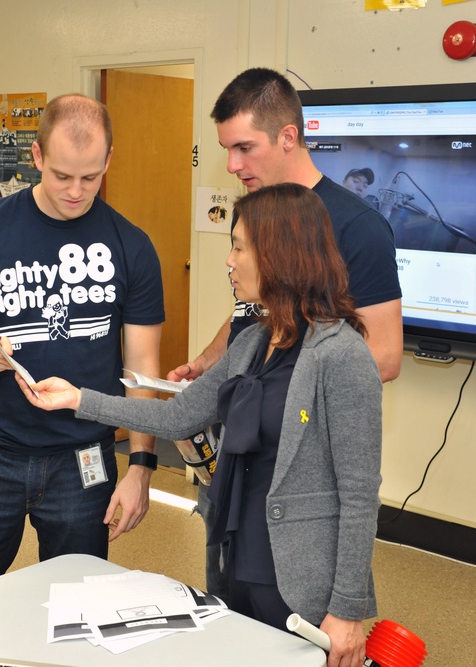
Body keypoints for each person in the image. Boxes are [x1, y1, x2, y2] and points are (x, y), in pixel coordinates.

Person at [19, 183, 382, 667]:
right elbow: (177, 416)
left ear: (279, 254)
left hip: (299, 577)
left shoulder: (341, 355)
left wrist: (348, 611)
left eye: (237, 247)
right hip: (237, 553)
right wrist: (78, 399)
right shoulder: (253, 341)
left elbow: (359, 494)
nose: (228, 261)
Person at [167, 67, 402, 601]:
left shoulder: (357, 228)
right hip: (239, 454)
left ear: (289, 136)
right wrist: (210, 363)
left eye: (244, 148)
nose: (232, 165)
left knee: (287, 611)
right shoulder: (261, 215)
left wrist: (280, 384)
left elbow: (384, 356)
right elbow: (258, 313)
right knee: (228, 599)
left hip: (294, 459)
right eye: (227, 150)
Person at [0, 94, 165, 590]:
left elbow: (141, 367)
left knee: (78, 608)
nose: (77, 191)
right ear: (36, 157)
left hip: (84, 460)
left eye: (90, 177)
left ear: (108, 161)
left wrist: (142, 465)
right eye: (61, 176)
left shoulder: (132, 246)